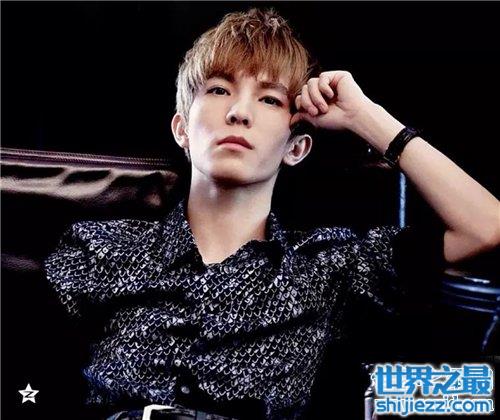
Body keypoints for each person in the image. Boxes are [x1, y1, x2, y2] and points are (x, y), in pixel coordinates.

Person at [44, 8, 500, 420]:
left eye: (269, 99)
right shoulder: (98, 248)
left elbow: (487, 227)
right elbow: (30, 377)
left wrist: (365, 117)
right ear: (182, 129)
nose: (239, 112)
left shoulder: (328, 268)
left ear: (296, 148)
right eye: (219, 90)